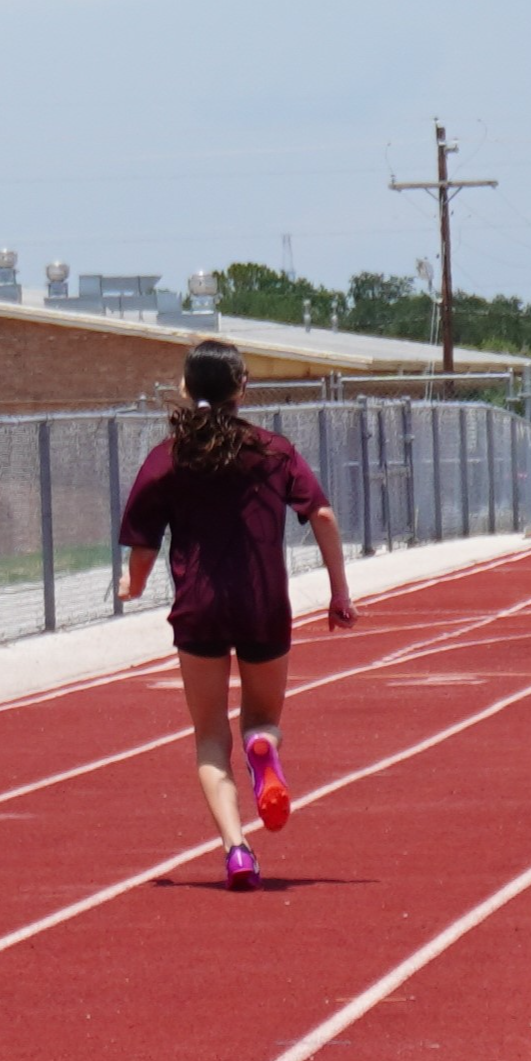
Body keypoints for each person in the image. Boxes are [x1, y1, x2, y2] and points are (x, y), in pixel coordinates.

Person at [118, 338, 356, 890]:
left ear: (185, 388)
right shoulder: (274, 450)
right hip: (263, 600)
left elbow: (145, 540)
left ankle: (237, 850)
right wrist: (339, 592)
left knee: (208, 738)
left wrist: (132, 586)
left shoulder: (170, 455)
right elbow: (320, 512)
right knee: (261, 719)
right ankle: (265, 748)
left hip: (199, 606)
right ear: (242, 388)